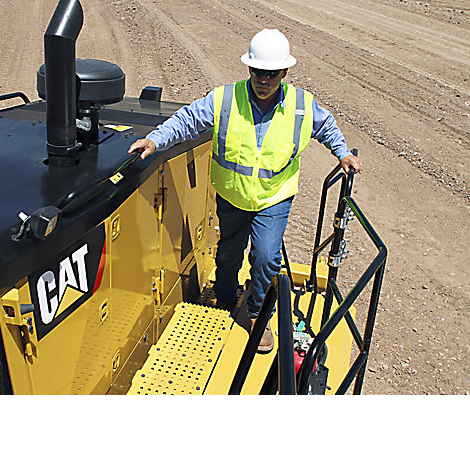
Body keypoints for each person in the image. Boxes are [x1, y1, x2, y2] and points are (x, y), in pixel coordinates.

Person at [129, 28, 362, 353]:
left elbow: (326, 126)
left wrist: (343, 153)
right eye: (256, 72)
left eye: (270, 73)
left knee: (266, 257)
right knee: (228, 253)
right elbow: (187, 120)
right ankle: (225, 301)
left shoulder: (300, 105)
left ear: (284, 72)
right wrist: (155, 139)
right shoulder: (226, 99)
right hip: (232, 196)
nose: (262, 80)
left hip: (274, 197)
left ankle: (254, 313)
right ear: (248, 69)